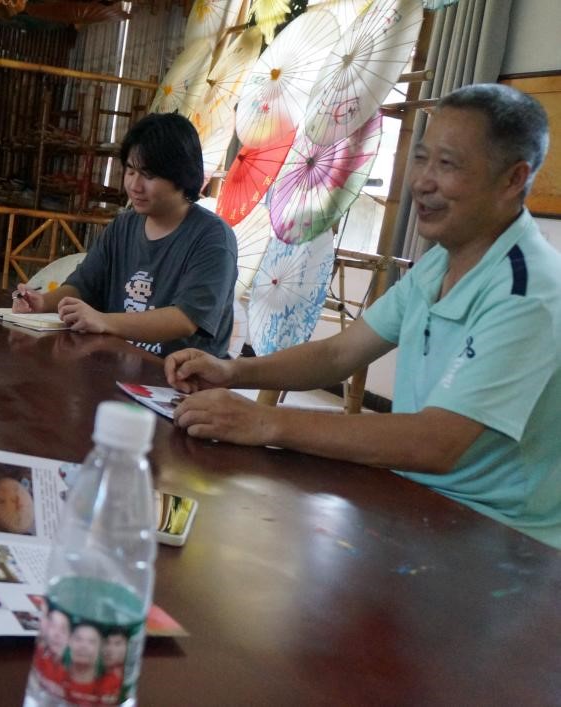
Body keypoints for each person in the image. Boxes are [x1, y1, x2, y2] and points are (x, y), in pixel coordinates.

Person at [165, 84, 559, 549]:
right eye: (422, 158)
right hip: (419, 503)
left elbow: (437, 442)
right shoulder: (440, 262)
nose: (423, 181)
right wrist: (231, 371)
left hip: (500, 539)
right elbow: (339, 354)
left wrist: (266, 422)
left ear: (513, 179)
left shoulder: (529, 292)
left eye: (447, 164)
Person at [12, 113, 237, 358]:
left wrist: (103, 321)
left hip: (180, 375)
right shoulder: (123, 226)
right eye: (130, 171)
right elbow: (83, 286)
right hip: (117, 364)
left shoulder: (212, 237)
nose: (135, 186)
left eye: (149, 175)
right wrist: (42, 302)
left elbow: (185, 319)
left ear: (181, 176)